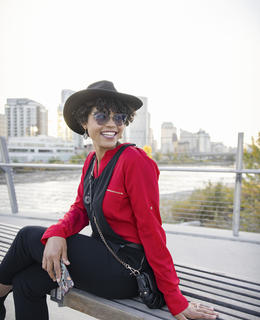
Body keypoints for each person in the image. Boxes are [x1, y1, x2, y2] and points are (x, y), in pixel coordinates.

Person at [0, 81, 218, 320]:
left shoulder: (135, 162)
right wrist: (57, 232)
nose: (112, 124)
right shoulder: (91, 161)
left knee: (26, 236)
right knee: (25, 283)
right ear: (85, 122)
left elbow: (152, 230)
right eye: (102, 116)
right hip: (100, 258)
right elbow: (80, 210)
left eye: (120, 118)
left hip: (124, 270)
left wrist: (175, 298)